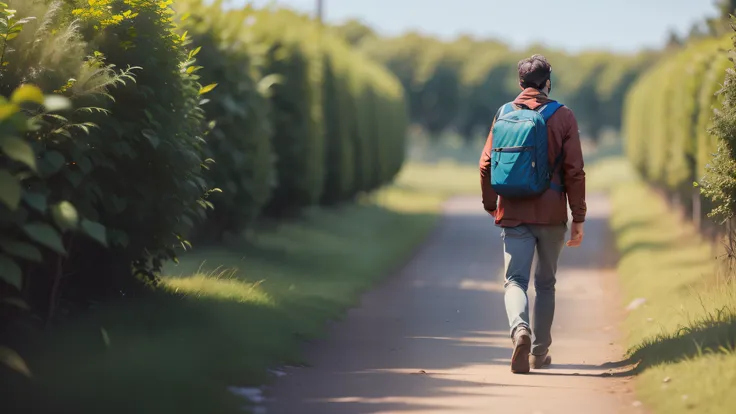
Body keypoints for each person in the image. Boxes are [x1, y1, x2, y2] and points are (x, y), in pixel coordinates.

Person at [478, 54, 586, 374]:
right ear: (548, 83)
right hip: (552, 213)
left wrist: (490, 204)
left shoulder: (503, 113)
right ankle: (539, 353)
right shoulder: (563, 115)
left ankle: (519, 331)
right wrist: (577, 217)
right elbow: (575, 171)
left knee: (515, 280)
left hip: (512, 210)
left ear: (520, 83)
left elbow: (486, 165)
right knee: (546, 284)